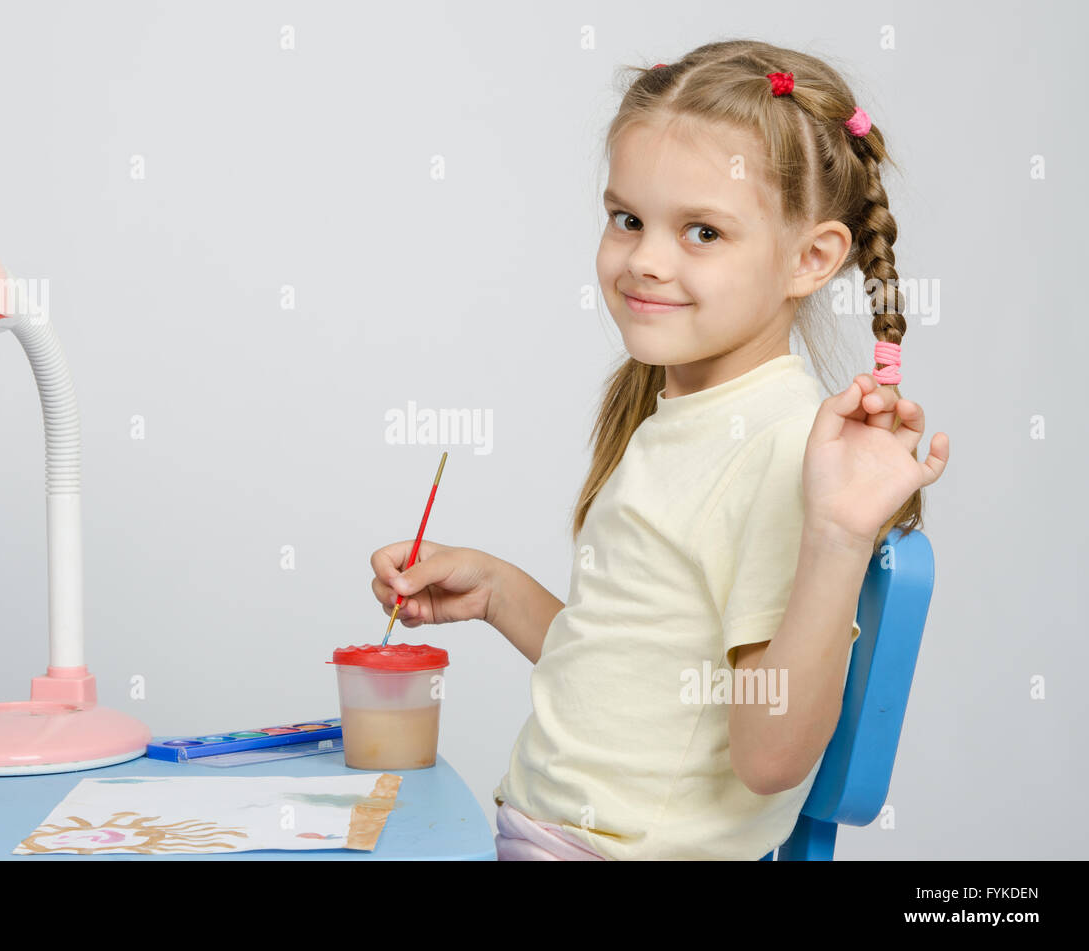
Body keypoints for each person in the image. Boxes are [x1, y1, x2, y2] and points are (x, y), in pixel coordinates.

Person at [369, 39, 948, 860]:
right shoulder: (688, 410)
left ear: (812, 258)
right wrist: (497, 590)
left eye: (702, 231)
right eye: (627, 219)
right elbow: (640, 670)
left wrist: (836, 537)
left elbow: (770, 757)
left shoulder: (782, 447)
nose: (644, 258)